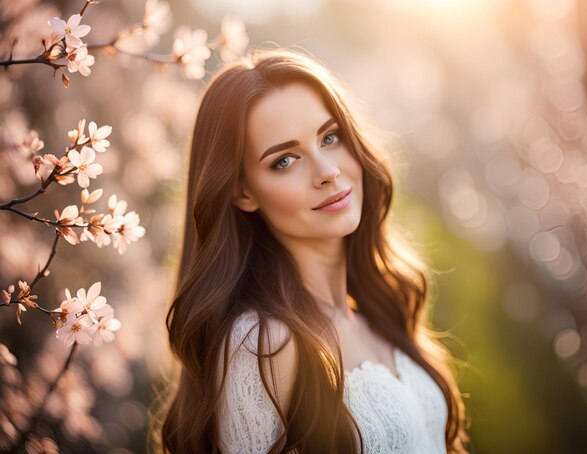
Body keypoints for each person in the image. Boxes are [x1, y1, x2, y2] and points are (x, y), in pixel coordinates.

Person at [159, 47, 470, 453]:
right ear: (242, 191)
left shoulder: (378, 310)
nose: (327, 172)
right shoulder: (262, 343)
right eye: (285, 160)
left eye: (330, 137)